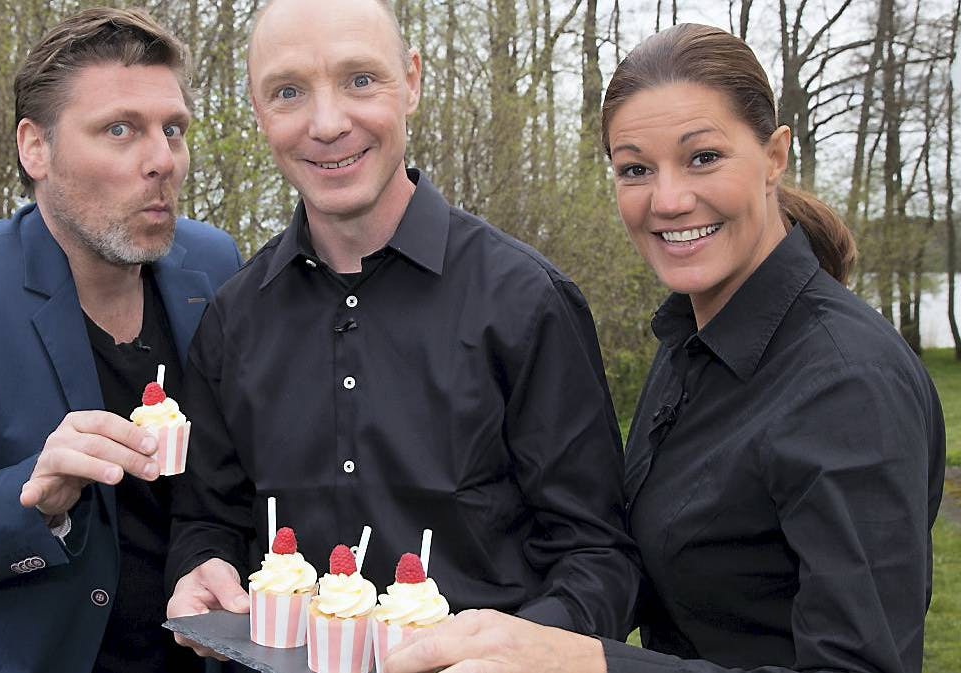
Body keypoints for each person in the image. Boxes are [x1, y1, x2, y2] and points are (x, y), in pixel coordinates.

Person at [384, 23, 945, 673]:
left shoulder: (849, 384)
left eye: (703, 156)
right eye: (636, 169)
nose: (670, 199)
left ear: (774, 155)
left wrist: (591, 663)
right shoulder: (692, 340)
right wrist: (515, 636)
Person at [165, 0, 639, 654]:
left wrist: (525, 652)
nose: (327, 124)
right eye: (288, 92)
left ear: (411, 80)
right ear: (256, 108)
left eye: (361, 80)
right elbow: (206, 521)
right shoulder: (232, 319)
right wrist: (200, 569)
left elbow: (597, 555)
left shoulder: (528, 301)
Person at [0, 8, 241, 673]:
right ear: (34, 148)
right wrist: (33, 500)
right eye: (120, 129)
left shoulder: (212, 266)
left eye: (172, 129)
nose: (162, 160)